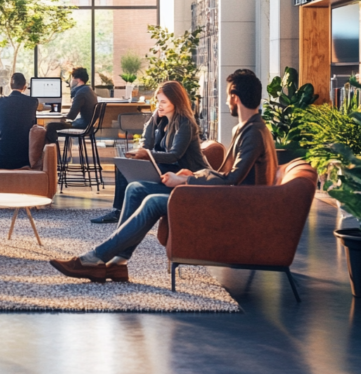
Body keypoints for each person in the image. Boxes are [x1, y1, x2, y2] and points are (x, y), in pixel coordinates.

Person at [49, 69, 277, 282]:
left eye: (228, 96)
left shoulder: (253, 132)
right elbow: (226, 175)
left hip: (232, 207)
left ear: (235, 97)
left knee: (152, 202)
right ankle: (118, 261)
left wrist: (186, 180)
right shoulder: (245, 129)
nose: (227, 101)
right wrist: (196, 174)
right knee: (136, 188)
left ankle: (95, 258)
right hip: (225, 197)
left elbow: (232, 181)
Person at [90, 81, 208, 224]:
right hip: (168, 167)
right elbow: (147, 142)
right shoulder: (163, 120)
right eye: (158, 101)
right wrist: (152, 123)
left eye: (164, 102)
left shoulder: (185, 124)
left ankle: (126, 212)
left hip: (183, 171)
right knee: (125, 165)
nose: (160, 105)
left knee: (133, 176)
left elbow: (174, 155)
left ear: (176, 102)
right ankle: (118, 211)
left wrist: (147, 155)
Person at [43, 67, 97, 144]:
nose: (70, 82)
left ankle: (51, 153)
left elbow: (72, 116)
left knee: (51, 126)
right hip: (88, 125)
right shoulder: (88, 90)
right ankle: (52, 152)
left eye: (72, 79)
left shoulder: (81, 93)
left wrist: (62, 116)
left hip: (83, 126)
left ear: (77, 80)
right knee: (54, 124)